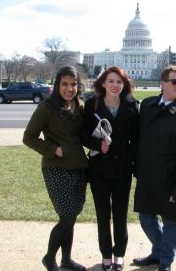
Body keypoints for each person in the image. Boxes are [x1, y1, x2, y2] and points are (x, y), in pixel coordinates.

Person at [133, 65, 176, 271]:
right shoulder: (147, 105)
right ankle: (158, 252)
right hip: (146, 176)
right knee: (145, 218)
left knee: (170, 223)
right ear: (162, 84)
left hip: (170, 180)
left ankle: (165, 261)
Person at [23, 66, 88, 271]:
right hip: (56, 168)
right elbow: (29, 138)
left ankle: (66, 260)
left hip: (78, 166)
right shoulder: (47, 107)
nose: (70, 89)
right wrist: (53, 149)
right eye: (65, 84)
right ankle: (49, 258)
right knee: (67, 216)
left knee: (71, 217)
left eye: (74, 84)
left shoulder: (79, 105)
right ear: (57, 85)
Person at [81, 67, 139, 271]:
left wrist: (130, 160)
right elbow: (83, 134)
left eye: (119, 82)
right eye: (111, 81)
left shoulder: (132, 106)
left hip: (122, 169)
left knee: (120, 214)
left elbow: (137, 140)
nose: (115, 85)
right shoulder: (92, 105)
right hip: (99, 169)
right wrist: (97, 145)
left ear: (124, 85)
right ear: (103, 83)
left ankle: (119, 254)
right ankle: (106, 254)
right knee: (103, 214)